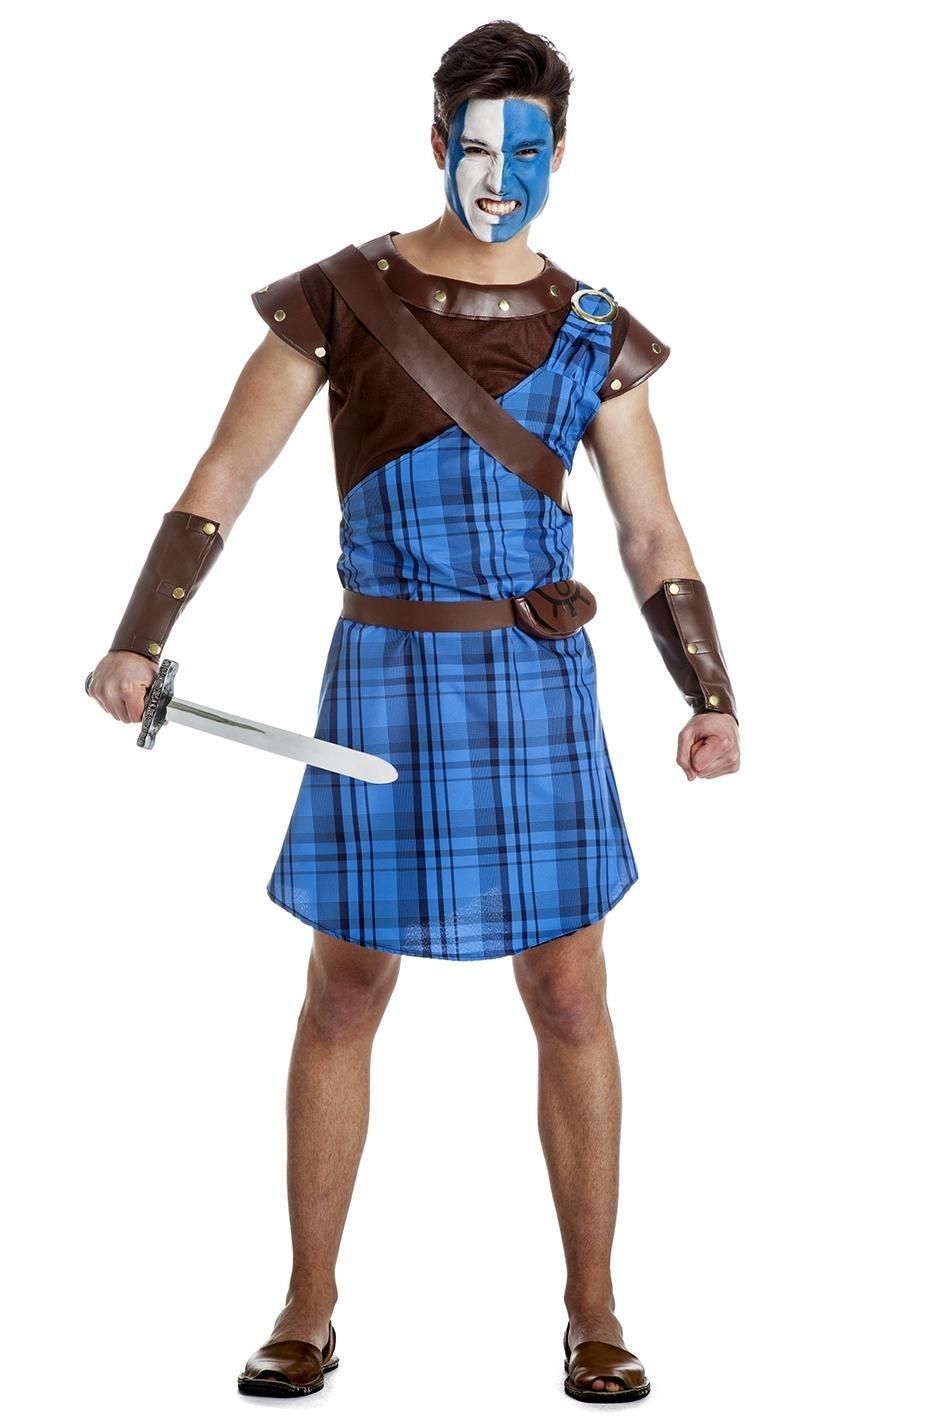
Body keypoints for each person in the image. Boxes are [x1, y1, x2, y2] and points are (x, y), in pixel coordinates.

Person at [86, 18, 739, 1403]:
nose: (500, 176)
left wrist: (710, 692)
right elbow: (222, 478)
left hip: (536, 687)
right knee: (345, 986)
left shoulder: (593, 332)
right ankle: (306, 1305)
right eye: (477, 145)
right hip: (381, 680)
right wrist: (140, 638)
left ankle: (595, 1310)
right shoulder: (336, 299)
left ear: (560, 154)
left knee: (570, 993)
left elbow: (650, 534)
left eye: (527, 151)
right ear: (435, 138)